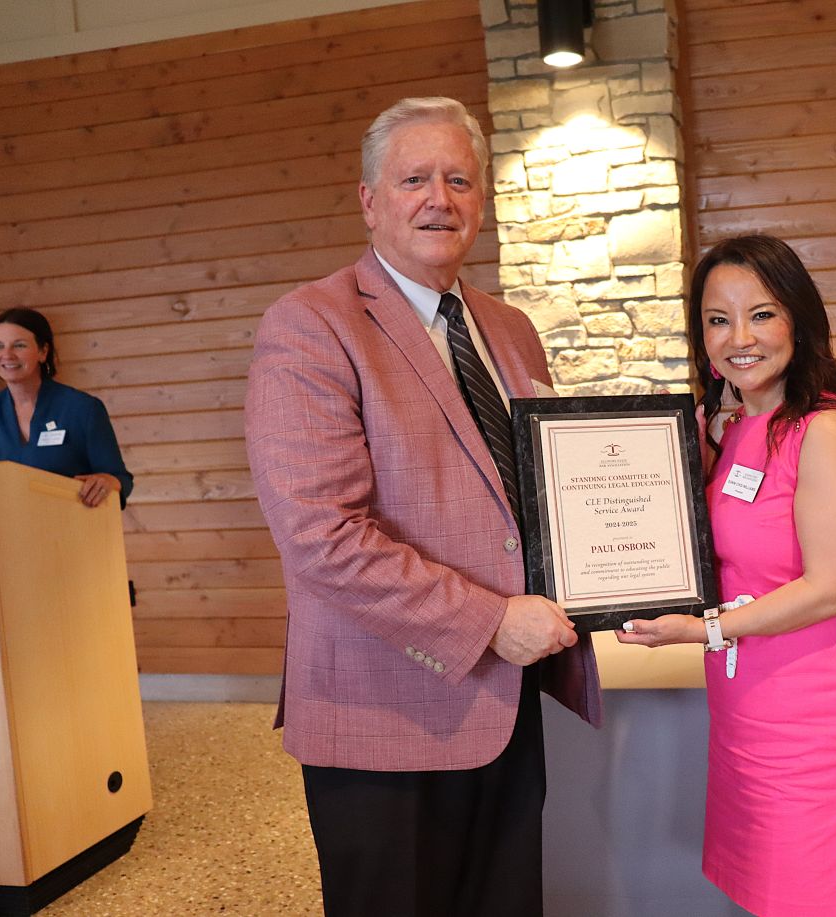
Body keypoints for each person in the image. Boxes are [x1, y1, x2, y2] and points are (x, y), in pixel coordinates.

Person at [244, 96, 601, 917]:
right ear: (370, 200)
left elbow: (540, 488)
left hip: (509, 699)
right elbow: (322, 535)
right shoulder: (311, 324)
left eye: (459, 180)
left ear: (481, 200)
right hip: (385, 709)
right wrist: (490, 621)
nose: (439, 198)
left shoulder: (510, 328)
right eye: (414, 180)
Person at [617, 234, 836, 916]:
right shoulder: (736, 426)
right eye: (718, 319)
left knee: (814, 893)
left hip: (818, 695)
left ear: (799, 319)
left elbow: (828, 588)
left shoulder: (826, 430)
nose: (739, 338)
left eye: (762, 314)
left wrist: (702, 629)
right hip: (748, 696)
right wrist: (682, 464)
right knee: (769, 890)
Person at [0, 307, 133, 507]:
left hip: (70, 523)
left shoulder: (83, 409)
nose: (7, 355)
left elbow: (121, 479)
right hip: (4, 525)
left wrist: (107, 481)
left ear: (43, 351)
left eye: (19, 345)